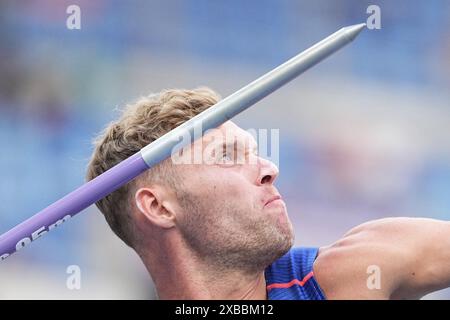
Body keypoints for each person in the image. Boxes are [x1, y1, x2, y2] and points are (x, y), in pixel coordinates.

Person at [86, 87, 450, 300]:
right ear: (158, 207)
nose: (269, 169)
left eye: (254, 152)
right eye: (226, 156)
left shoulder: (353, 274)